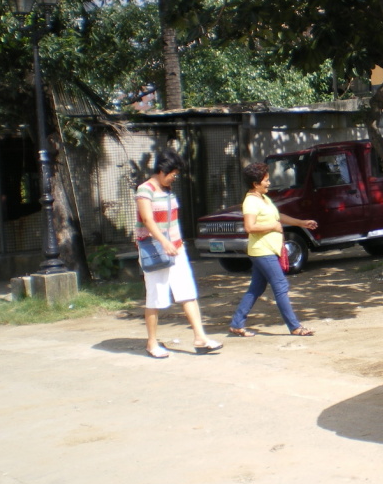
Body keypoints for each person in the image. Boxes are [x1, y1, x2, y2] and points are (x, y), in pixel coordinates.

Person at [136, 149, 223, 359]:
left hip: (176, 249)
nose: (175, 177)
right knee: (155, 297)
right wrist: (164, 241)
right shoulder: (144, 190)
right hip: (156, 250)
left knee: (187, 292)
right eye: (173, 173)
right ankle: (151, 343)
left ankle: (200, 338)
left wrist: (175, 243)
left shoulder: (168, 190)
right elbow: (148, 220)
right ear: (162, 169)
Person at [229, 162, 318, 338]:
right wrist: (272, 226)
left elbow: (278, 217)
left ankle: (236, 324)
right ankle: (294, 327)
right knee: (281, 286)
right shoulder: (251, 201)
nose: (269, 183)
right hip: (262, 251)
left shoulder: (264, 198)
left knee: (256, 288)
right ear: (256, 184)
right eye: (266, 180)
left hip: (267, 250)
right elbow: (249, 227)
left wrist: (301, 223)